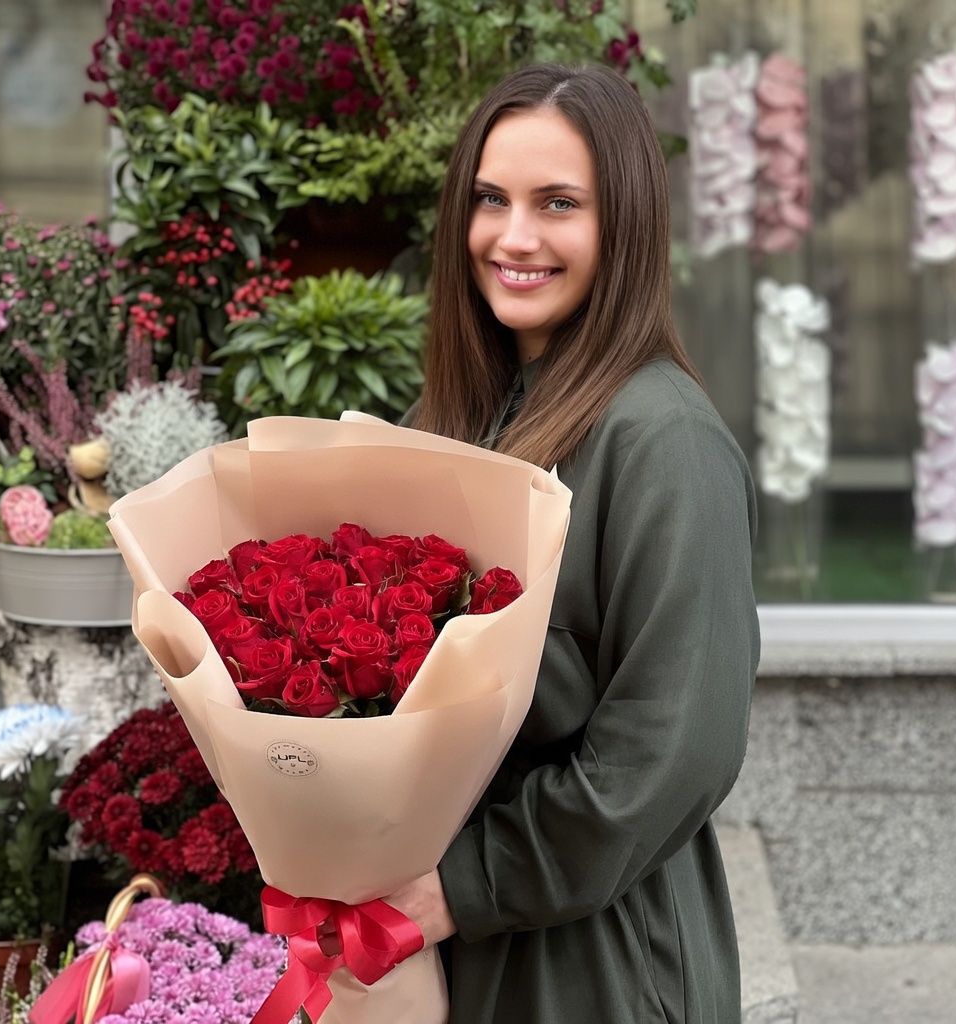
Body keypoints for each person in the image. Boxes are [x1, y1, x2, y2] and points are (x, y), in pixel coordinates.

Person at [384, 62, 760, 1023]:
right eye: (491, 200)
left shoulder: (665, 441)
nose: (515, 237)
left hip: (597, 959)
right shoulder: (453, 422)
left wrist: (462, 887)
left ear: (623, 224)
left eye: (558, 204)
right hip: (444, 938)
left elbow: (671, 750)